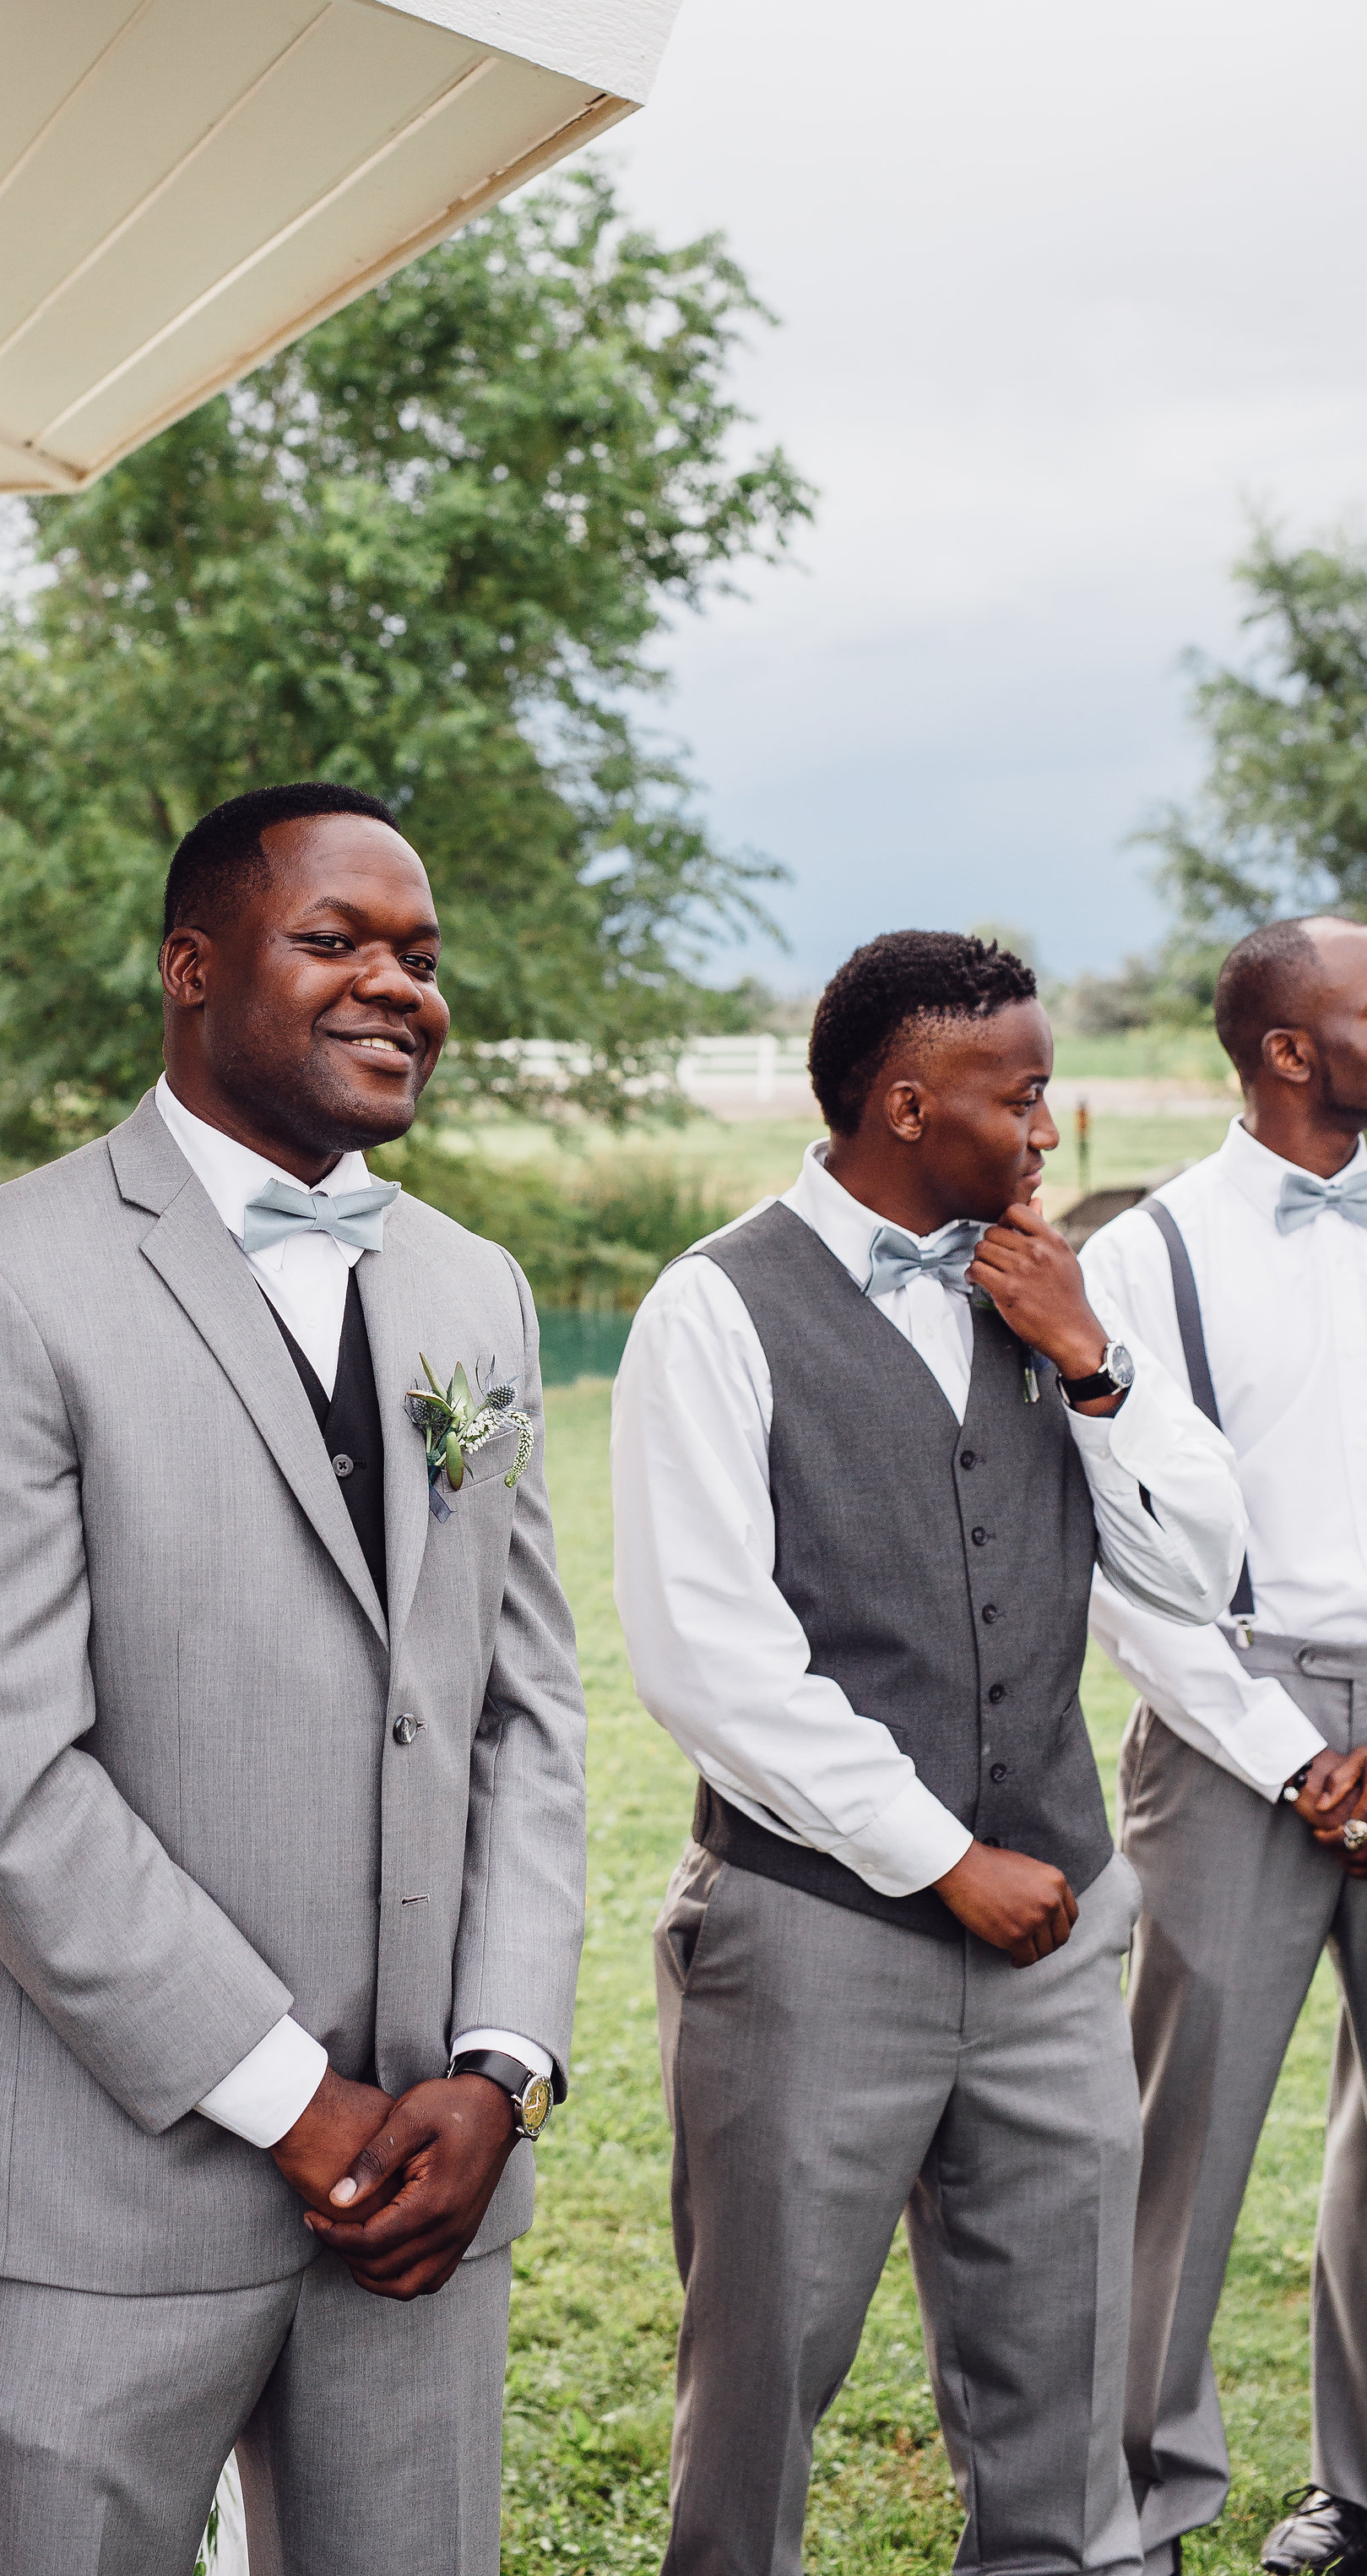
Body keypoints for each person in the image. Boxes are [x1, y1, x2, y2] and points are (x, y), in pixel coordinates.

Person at [0, 780, 587, 2576]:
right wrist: (285, 2095)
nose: (398, 986)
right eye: (335, 941)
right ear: (192, 969)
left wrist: (497, 2074)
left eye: (420, 955)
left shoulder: (475, 1288)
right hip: (102, 2191)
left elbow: (526, 1716)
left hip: (427, 2181)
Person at [611, 929, 1246, 2576]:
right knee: (756, 2404)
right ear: (908, 1102)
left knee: (1066, 2408)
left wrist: (1092, 1364)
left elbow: (1196, 1572)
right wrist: (939, 1860)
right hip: (813, 1945)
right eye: (1020, 1096)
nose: (1048, 1130)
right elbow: (707, 1654)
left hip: (1053, 1954)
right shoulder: (716, 1307)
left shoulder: (1051, 1289)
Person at [1084, 915, 1367, 2576]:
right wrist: (1286, 1753)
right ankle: (1132, 2511)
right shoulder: (1154, 1252)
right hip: (1227, 1722)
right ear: (1286, 1050)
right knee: (1184, 2134)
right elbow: (1131, 1547)